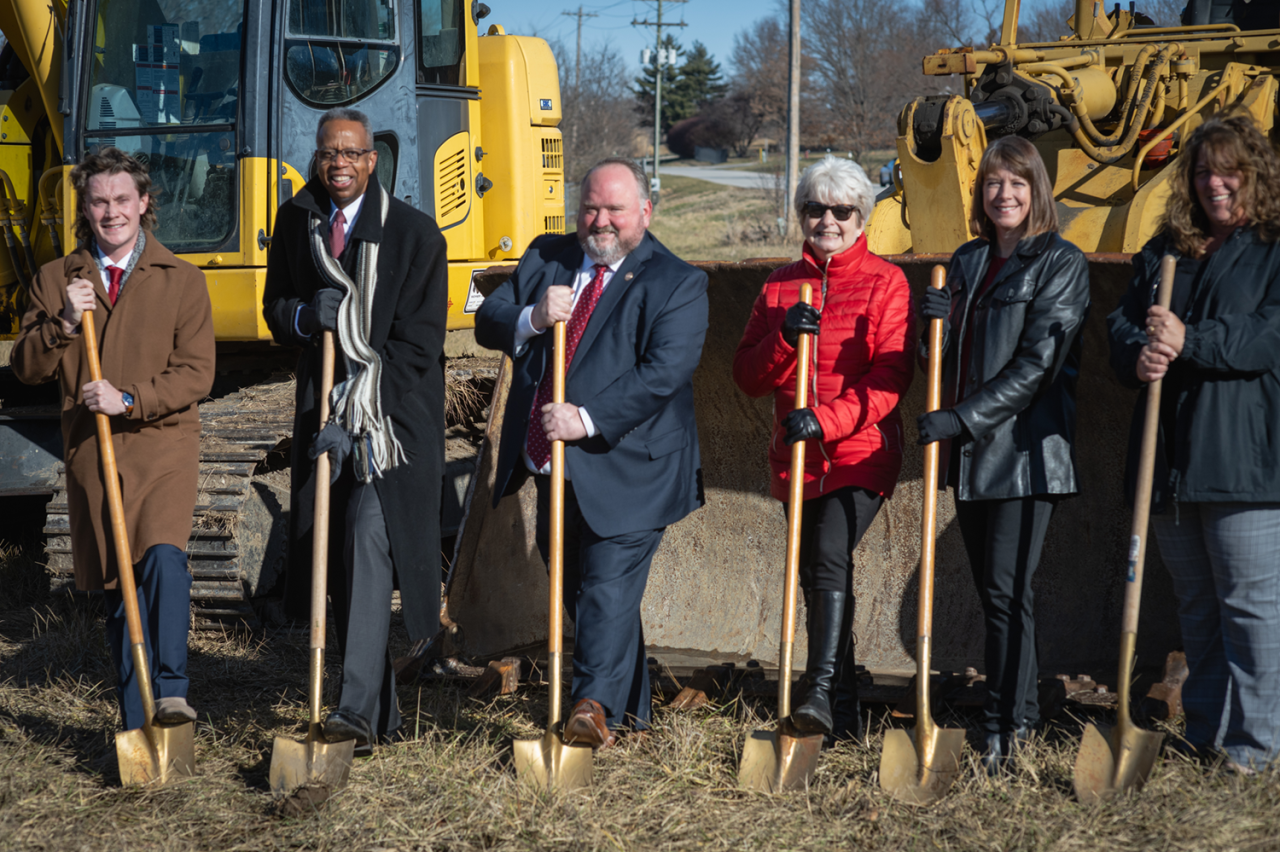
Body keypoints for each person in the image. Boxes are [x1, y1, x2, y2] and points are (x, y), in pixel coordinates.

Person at [474, 157, 708, 747]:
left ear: (645, 213)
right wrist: (531, 316)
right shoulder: (547, 256)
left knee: (606, 586)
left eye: (615, 210)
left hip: (634, 467)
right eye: (591, 208)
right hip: (556, 468)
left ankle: (589, 706)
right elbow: (489, 321)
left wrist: (586, 418)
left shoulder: (675, 281)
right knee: (584, 587)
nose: (601, 221)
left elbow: (664, 373)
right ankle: (632, 715)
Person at [263, 108, 448, 754]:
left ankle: (352, 712)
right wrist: (306, 318)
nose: (337, 163)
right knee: (335, 554)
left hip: (394, 422)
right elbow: (273, 309)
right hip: (323, 413)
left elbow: (418, 349)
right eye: (327, 153)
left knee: (369, 534)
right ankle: (377, 713)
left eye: (351, 153)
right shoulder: (297, 222)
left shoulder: (417, 238)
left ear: (373, 160)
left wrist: (352, 417)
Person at [12, 148, 215, 731]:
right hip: (92, 453)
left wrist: (129, 399)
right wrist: (64, 324)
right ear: (85, 206)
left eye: (122, 199)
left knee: (163, 560)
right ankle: (136, 720)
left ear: (144, 203)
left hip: (162, 442)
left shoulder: (181, 279)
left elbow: (196, 372)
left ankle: (172, 694)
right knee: (117, 586)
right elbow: (26, 368)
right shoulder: (57, 279)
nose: (111, 212)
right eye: (99, 201)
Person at [1107, 116, 1280, 774]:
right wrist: (1138, 353)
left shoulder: (1272, 248)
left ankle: (1257, 752)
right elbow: (1122, 321)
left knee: (1252, 610)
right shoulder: (1169, 247)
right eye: (1204, 171)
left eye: (1228, 170)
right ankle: (1207, 735)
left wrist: (1190, 342)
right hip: (1170, 460)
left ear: (1255, 172)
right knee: (1198, 611)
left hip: (1244, 461)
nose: (1215, 183)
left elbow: (1268, 337)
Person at [916, 136, 1089, 772]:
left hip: (1022, 453)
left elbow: (1038, 366)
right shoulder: (965, 262)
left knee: (1009, 591)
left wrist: (961, 417)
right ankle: (1016, 713)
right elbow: (940, 365)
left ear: (1036, 191)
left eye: (1017, 183)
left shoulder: (1061, 264)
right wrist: (929, 330)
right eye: (993, 183)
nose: (1004, 194)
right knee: (996, 594)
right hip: (970, 454)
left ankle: (1005, 725)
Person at [732, 155, 914, 742]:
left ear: (863, 218)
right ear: (801, 215)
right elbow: (747, 377)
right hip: (797, 455)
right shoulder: (780, 285)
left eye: (842, 211)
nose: (828, 221)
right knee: (815, 570)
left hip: (860, 449)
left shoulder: (887, 282)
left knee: (830, 554)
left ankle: (815, 691)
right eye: (815, 209)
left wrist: (827, 421)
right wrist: (785, 339)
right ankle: (845, 710)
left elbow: (890, 378)